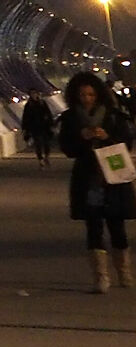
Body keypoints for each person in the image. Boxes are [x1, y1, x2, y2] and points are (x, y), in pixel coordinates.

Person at [57, 72, 133, 291]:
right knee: (93, 225)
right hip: (88, 177)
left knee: (117, 225)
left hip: (113, 176)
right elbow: (67, 148)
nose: (86, 98)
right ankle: (101, 277)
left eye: (90, 94)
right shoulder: (71, 118)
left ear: (98, 94)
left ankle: (124, 272)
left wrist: (106, 137)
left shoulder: (113, 116)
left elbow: (126, 144)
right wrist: (82, 138)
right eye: (82, 95)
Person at [22, 91, 57, 166]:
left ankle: (46, 156)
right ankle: (40, 159)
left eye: (35, 93)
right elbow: (25, 117)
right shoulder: (28, 105)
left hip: (44, 126)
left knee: (46, 143)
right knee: (38, 143)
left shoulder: (42, 103)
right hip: (35, 127)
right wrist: (25, 128)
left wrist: (51, 124)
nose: (34, 95)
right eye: (32, 94)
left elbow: (48, 113)